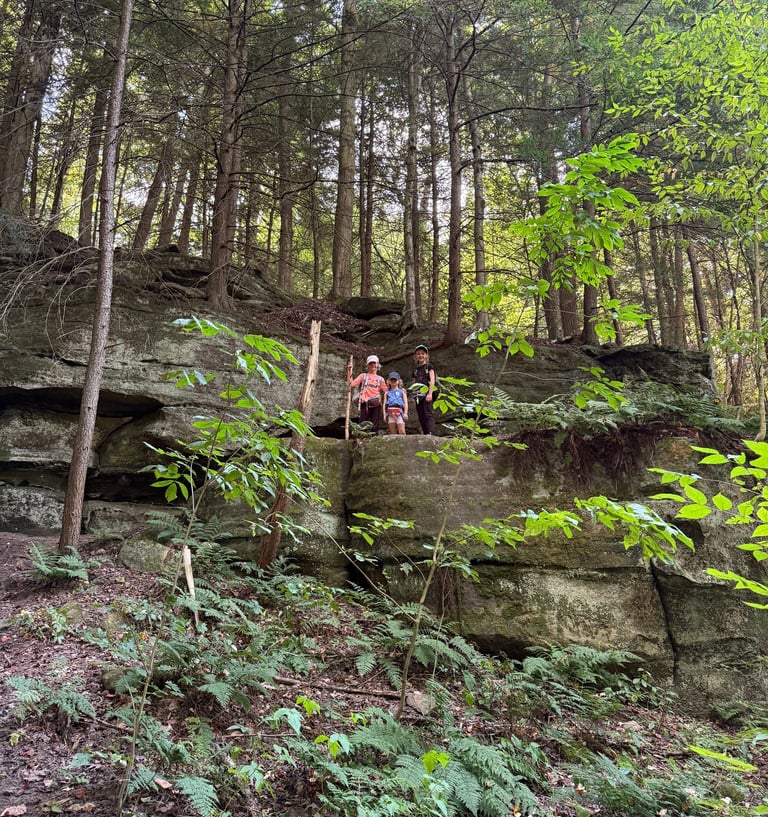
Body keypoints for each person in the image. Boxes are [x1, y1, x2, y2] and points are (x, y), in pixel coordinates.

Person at [348, 354, 387, 433]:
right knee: (363, 423)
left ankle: (373, 440)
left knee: (375, 423)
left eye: (374, 363)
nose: (372, 365)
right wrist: (349, 371)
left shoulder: (380, 379)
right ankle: (362, 439)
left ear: (377, 365)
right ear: (367, 365)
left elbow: (386, 391)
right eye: (370, 363)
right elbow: (351, 384)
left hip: (376, 403)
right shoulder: (363, 376)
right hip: (365, 403)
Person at [411, 344, 437, 435]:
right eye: (418, 354)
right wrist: (414, 397)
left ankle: (431, 433)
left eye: (423, 353)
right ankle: (426, 433)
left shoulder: (429, 367)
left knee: (428, 414)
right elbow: (415, 384)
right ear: (415, 356)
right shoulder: (416, 371)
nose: (420, 355)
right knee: (421, 415)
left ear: (426, 355)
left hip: (427, 394)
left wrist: (430, 393)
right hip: (418, 396)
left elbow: (432, 380)